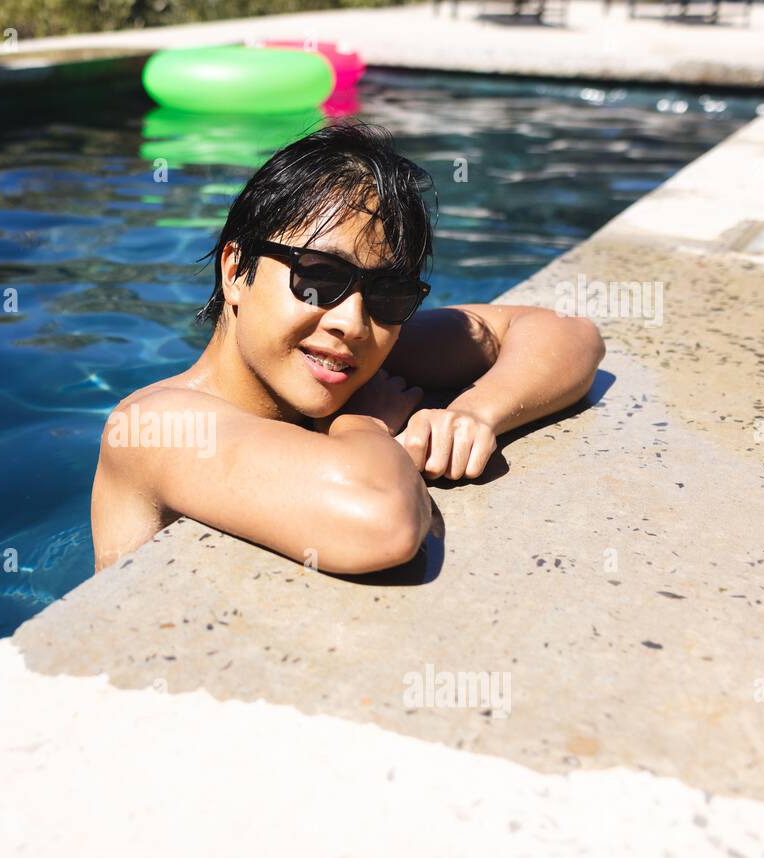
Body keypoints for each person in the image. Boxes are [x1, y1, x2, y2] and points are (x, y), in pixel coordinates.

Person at [91, 122, 605, 574]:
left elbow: (569, 334)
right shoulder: (155, 427)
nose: (353, 322)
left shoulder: (348, 354)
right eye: (318, 277)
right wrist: (365, 421)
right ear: (235, 271)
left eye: (389, 294)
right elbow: (382, 522)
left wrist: (476, 413)